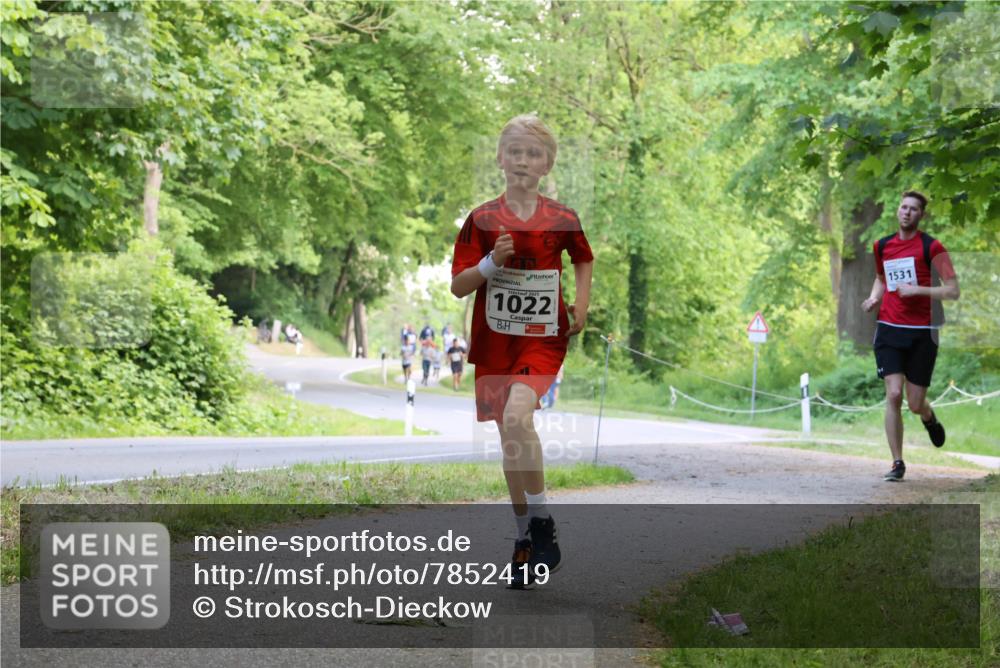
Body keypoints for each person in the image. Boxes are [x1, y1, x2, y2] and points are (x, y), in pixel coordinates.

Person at [450, 113, 593, 589]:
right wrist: (492, 262)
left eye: (533, 153)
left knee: (517, 418)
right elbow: (458, 286)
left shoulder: (562, 218)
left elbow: (583, 258)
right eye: (514, 151)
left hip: (542, 336)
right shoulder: (482, 219)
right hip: (495, 339)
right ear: (499, 158)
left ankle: (543, 518)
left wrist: (583, 306)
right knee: (509, 439)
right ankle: (524, 537)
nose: (523, 160)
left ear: (547, 163)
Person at [861, 191, 959, 482]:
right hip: (890, 327)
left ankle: (928, 417)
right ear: (897, 211)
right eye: (903, 207)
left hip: (922, 332)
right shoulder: (882, 246)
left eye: (913, 209)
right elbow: (881, 277)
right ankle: (897, 462)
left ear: (921, 215)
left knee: (914, 403)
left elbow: (953, 290)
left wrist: (918, 290)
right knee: (893, 394)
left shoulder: (933, 247)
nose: (907, 212)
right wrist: (873, 298)